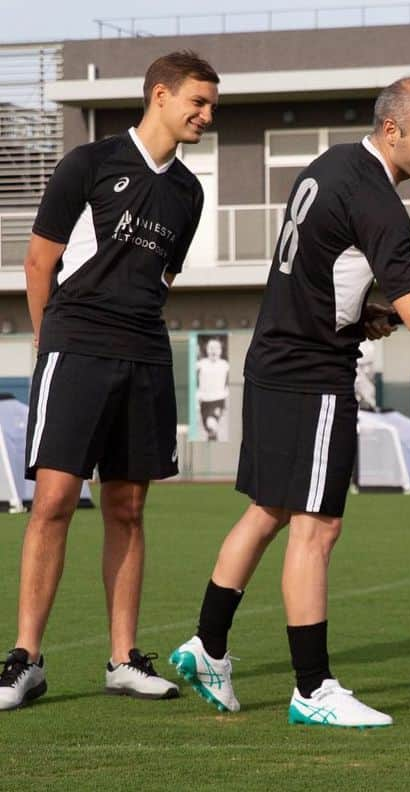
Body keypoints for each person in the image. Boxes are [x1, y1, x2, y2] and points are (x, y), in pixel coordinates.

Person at [170, 76, 410, 728]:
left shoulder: (328, 165)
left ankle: (207, 645)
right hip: (313, 375)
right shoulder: (380, 201)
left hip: (272, 361)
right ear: (393, 131)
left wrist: (364, 314)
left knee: (266, 510)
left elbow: (320, 271)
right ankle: (311, 689)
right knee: (316, 526)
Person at [0, 51, 219, 711]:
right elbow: (39, 262)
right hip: (76, 347)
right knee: (54, 503)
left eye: (211, 106)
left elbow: (163, 281)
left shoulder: (190, 192)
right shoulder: (88, 165)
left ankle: (123, 659)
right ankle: (25, 661)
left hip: (146, 355)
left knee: (127, 508)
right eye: (198, 103)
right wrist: (51, 340)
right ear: (160, 95)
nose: (207, 116)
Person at [195, 335, 230, 441]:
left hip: (218, 400)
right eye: (211, 348)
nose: (214, 351)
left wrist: (227, 393)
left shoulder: (225, 365)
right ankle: (212, 441)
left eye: (216, 348)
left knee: (212, 423)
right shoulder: (200, 364)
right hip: (204, 401)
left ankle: (213, 438)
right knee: (208, 429)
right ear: (206, 350)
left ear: (220, 350)